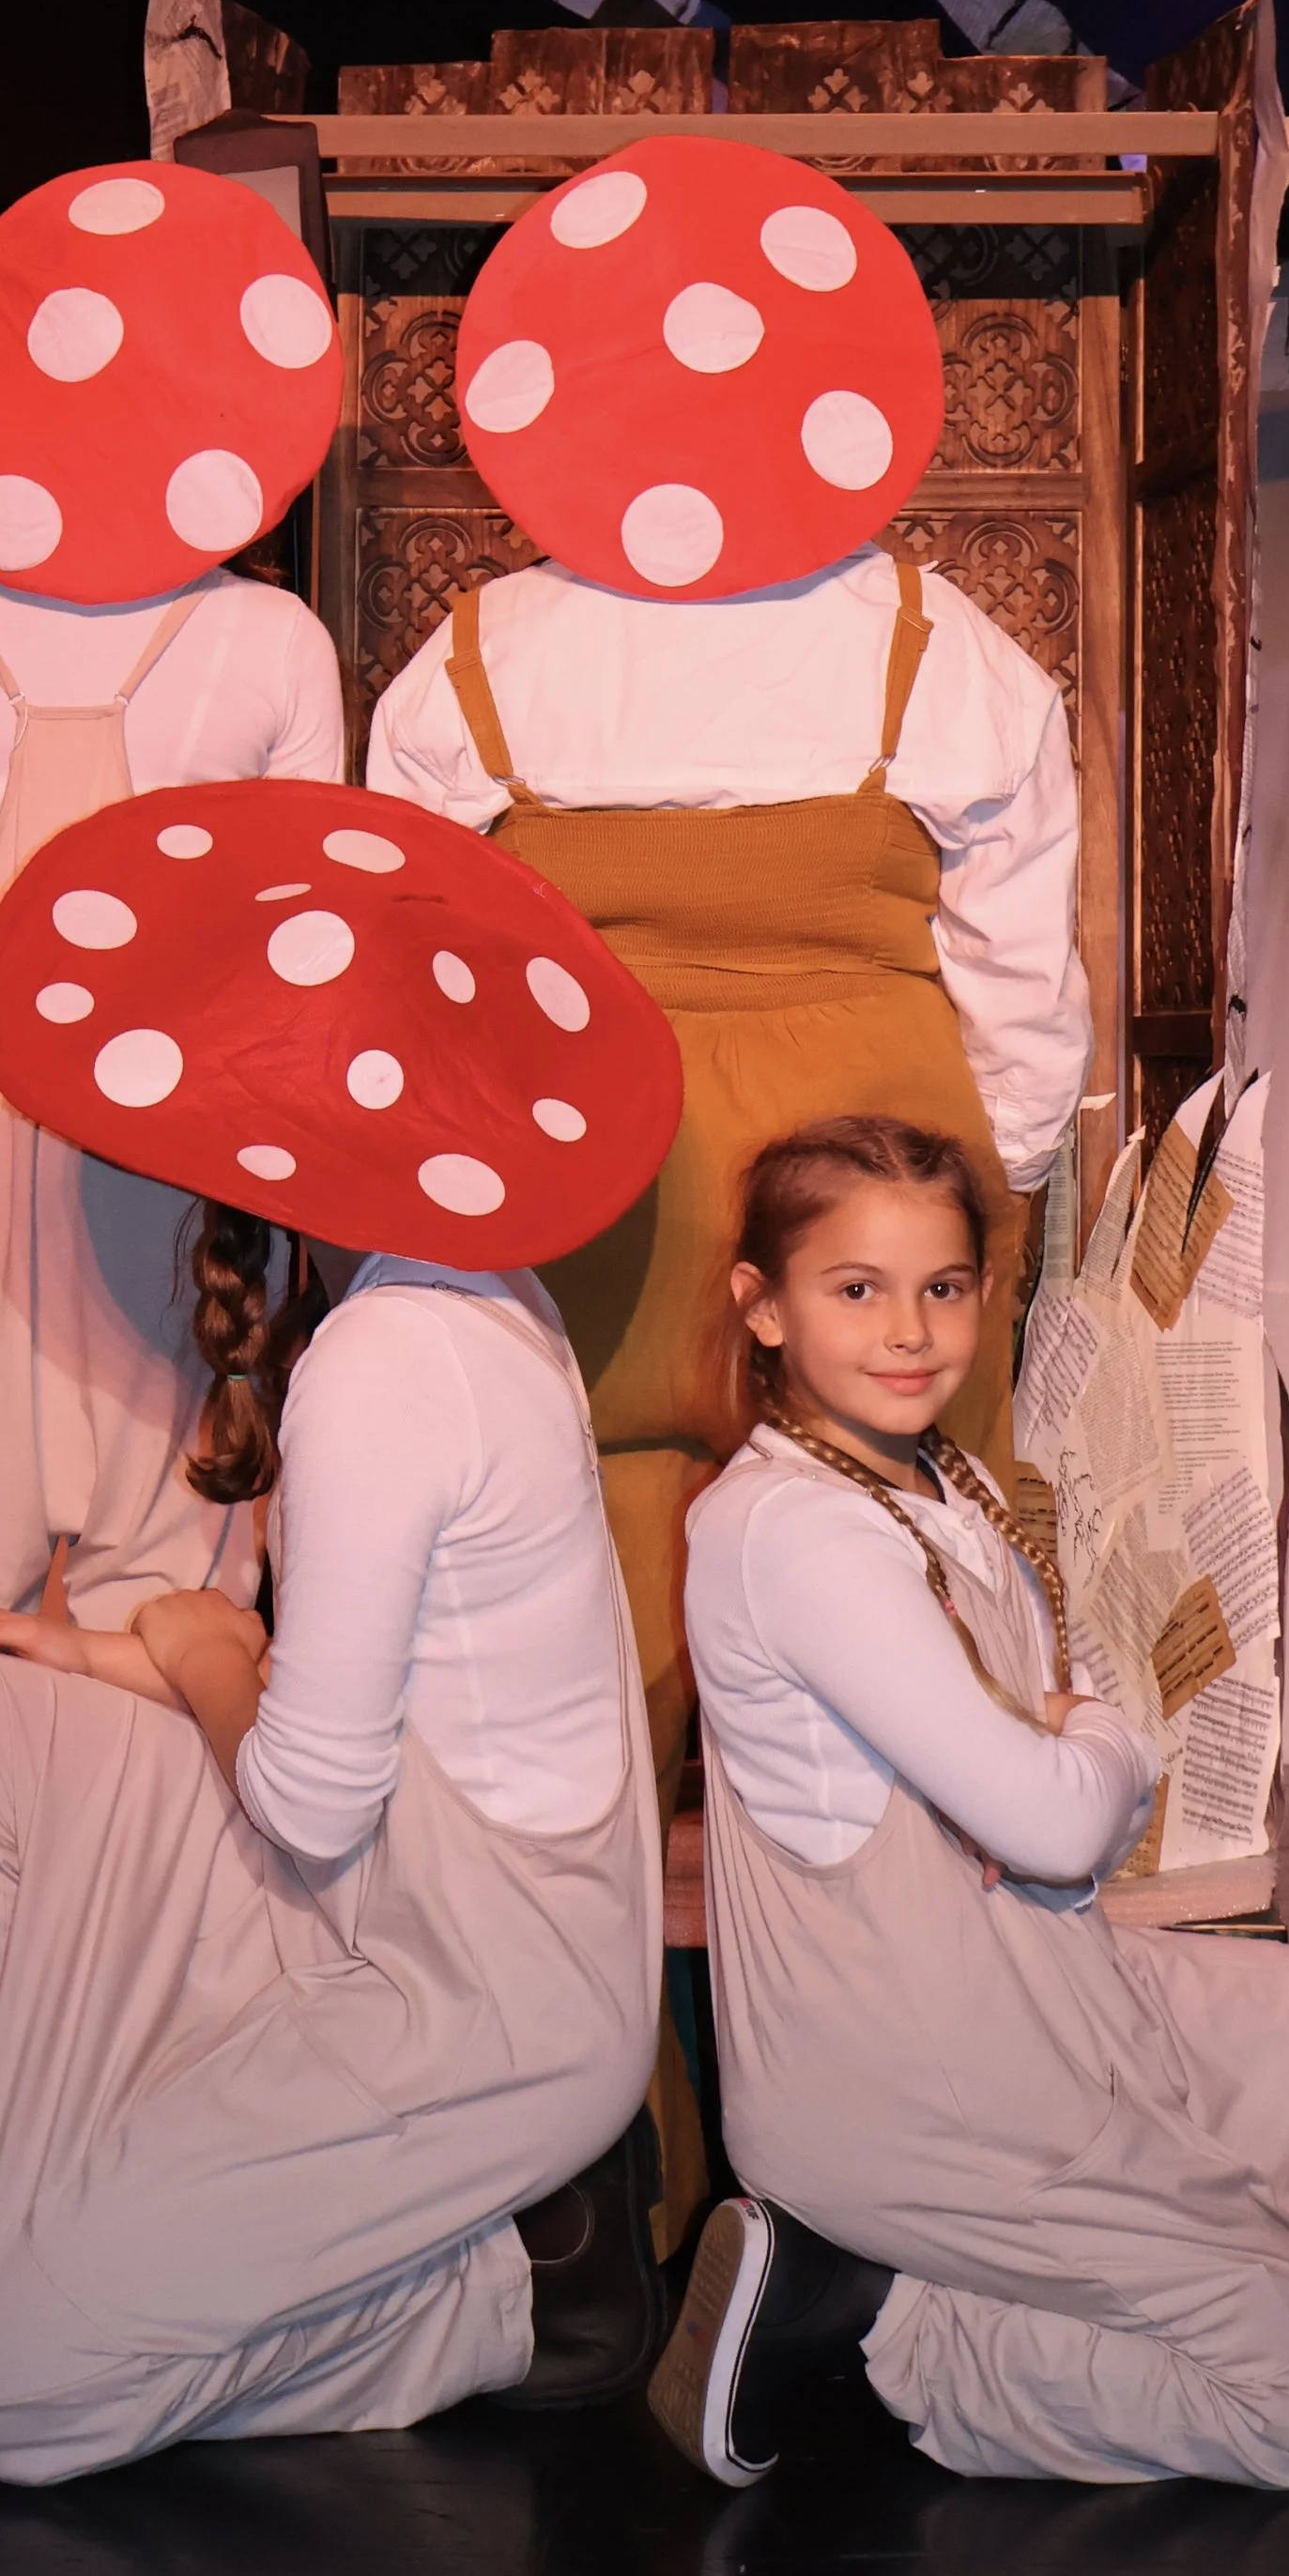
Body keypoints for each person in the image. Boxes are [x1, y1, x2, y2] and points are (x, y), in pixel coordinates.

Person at [0, 773, 681, 2478]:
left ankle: (503, 2293)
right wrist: (115, 1652)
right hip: (383, 1888)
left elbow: (304, 1800)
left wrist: (200, 1651)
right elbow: (346, 1687)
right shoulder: (432, 1299)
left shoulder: (392, 1358)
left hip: (474, 1999)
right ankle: (25, 2255)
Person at [365, 137, 1093, 1857]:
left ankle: (587, 1956)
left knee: (593, 1552)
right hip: (874, 1166)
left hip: (596, 1163)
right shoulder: (941, 643)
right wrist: (1002, 1187)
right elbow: (1021, 969)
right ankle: (906, 1959)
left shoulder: (476, 657)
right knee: (892, 1562)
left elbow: (414, 965)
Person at [0, 159, 345, 2275]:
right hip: (184, 1154)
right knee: (173, 1611)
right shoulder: (267, 638)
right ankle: (157, 2087)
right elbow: (313, 923)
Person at [653, 1113, 1289, 2492]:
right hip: (915, 2078)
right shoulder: (793, 1532)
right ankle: (900, 2323)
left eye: (942, 1286)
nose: (909, 1331)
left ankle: (1021, 2262)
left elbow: (1065, 1784)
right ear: (763, 1305)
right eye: (856, 1288)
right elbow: (1063, 1819)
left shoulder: (943, 1478)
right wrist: (1088, 1750)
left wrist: (1071, 1758)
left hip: (1040, 1987)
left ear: (986, 1291)